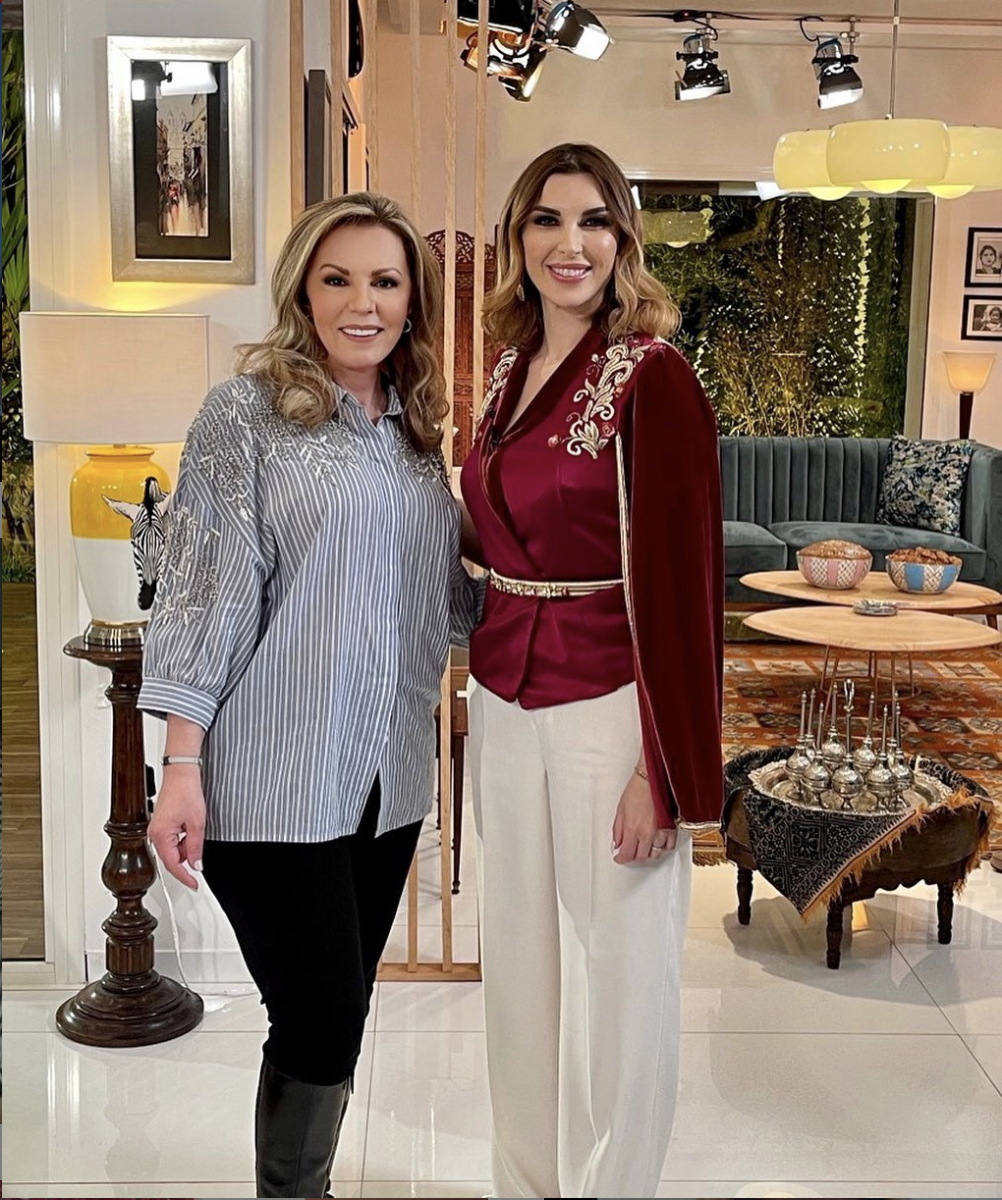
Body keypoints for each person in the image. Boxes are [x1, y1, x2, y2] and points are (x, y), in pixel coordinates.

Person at [139, 192, 483, 1199]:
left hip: (386, 782)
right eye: (337, 279)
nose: (361, 303)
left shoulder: (416, 433)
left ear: (412, 301)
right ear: (303, 292)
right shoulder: (244, 414)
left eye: (385, 281)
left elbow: (445, 604)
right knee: (322, 1015)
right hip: (270, 775)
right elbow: (205, 592)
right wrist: (181, 764)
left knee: (336, 1012)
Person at [459, 143, 724, 1199]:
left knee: (622, 974)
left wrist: (662, 768)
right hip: (503, 697)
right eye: (547, 220)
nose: (569, 244)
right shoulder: (505, 370)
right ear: (517, 239)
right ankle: (526, 1183)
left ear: (625, 240)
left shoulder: (654, 376)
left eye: (594, 221)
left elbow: (687, 584)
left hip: (612, 703)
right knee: (519, 967)